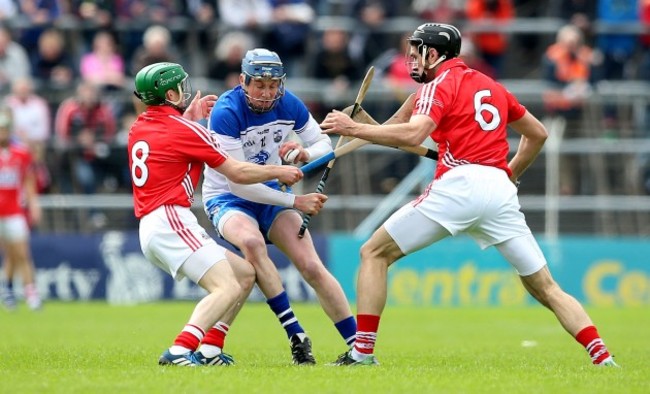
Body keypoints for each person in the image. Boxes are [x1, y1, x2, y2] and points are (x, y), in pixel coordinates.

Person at [320, 23, 618, 367]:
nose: (412, 60)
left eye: (416, 53)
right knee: (546, 287)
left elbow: (414, 134)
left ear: (434, 54)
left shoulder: (436, 85)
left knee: (373, 252)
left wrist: (352, 127)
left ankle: (362, 353)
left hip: (459, 187)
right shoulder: (490, 85)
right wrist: (510, 172)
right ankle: (602, 357)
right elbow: (537, 134)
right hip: (499, 192)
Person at [128, 61, 304, 366]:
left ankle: (210, 349)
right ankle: (180, 350)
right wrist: (279, 170)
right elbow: (236, 171)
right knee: (226, 287)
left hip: (155, 224)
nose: (184, 92)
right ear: (169, 93)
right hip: (171, 220)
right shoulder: (186, 130)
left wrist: (190, 120)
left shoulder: (138, 126)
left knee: (245, 273)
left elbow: (171, 141)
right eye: (179, 87)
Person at [201, 48, 356, 365]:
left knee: (311, 266)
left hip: (271, 192)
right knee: (251, 243)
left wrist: (302, 154)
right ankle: (295, 333)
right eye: (260, 84)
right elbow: (239, 181)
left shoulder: (288, 103)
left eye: (273, 86)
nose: (267, 93)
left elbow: (322, 143)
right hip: (227, 196)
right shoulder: (226, 112)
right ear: (243, 80)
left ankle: (360, 349)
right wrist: (295, 200)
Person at [0, 108, 42, 311]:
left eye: (5, 129)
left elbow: (28, 181)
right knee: (10, 253)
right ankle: (9, 290)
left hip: (14, 211)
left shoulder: (21, 154)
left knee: (21, 253)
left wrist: (33, 204)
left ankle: (26, 292)